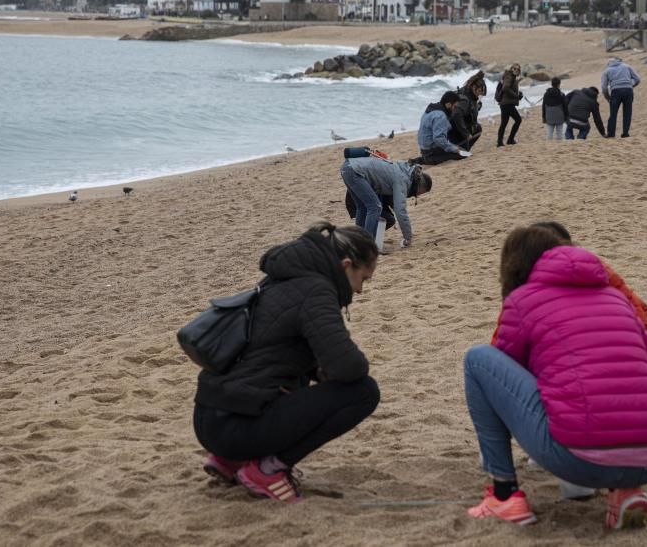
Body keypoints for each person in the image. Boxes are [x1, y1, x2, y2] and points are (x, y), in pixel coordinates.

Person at [464, 225, 647, 528]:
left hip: (580, 457)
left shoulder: (523, 301)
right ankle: (625, 490)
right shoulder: (617, 300)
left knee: (478, 361)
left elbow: (504, 384)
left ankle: (504, 495)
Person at [193, 222, 381, 503]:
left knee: (296, 383)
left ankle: (231, 461)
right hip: (234, 428)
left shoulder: (281, 279)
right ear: (345, 266)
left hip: (212, 418)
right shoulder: (316, 291)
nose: (361, 291)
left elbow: (276, 351)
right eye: (363, 279)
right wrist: (330, 371)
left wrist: (319, 370)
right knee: (363, 392)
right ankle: (267, 470)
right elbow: (349, 367)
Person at [340, 156, 432, 248]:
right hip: (356, 172)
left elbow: (395, 206)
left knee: (362, 207)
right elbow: (400, 211)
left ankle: (358, 242)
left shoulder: (402, 168)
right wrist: (408, 238)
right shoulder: (402, 180)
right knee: (375, 207)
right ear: (419, 185)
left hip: (347, 167)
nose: (416, 195)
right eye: (419, 193)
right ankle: (367, 244)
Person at [417, 91, 470, 165]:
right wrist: (455, 149)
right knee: (463, 154)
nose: (455, 110)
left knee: (455, 147)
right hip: (431, 152)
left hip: (423, 150)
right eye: (454, 107)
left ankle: (423, 159)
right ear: (448, 104)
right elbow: (438, 139)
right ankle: (427, 160)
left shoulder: (432, 109)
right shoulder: (441, 116)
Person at [601, 57, 641, 138]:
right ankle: (625, 133)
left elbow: (604, 88)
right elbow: (637, 79)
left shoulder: (607, 71)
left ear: (608, 64)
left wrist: (608, 97)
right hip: (628, 91)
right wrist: (631, 86)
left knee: (613, 114)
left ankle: (611, 134)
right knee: (627, 113)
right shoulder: (626, 66)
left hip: (615, 92)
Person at [449, 71, 486, 151]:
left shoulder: (467, 91)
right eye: (479, 91)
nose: (480, 94)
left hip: (455, 128)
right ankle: (463, 149)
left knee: (477, 128)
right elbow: (456, 114)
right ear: (474, 88)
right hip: (453, 130)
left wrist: (477, 107)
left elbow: (469, 110)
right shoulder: (465, 99)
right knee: (477, 129)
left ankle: (464, 148)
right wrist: (466, 133)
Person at [497, 63, 524, 147]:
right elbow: (505, 88)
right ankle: (510, 139)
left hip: (505, 103)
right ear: (511, 69)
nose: (516, 70)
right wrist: (516, 96)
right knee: (518, 120)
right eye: (514, 68)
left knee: (504, 123)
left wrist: (518, 95)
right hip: (507, 104)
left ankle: (500, 142)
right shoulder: (509, 76)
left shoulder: (512, 77)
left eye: (518, 69)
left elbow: (509, 89)